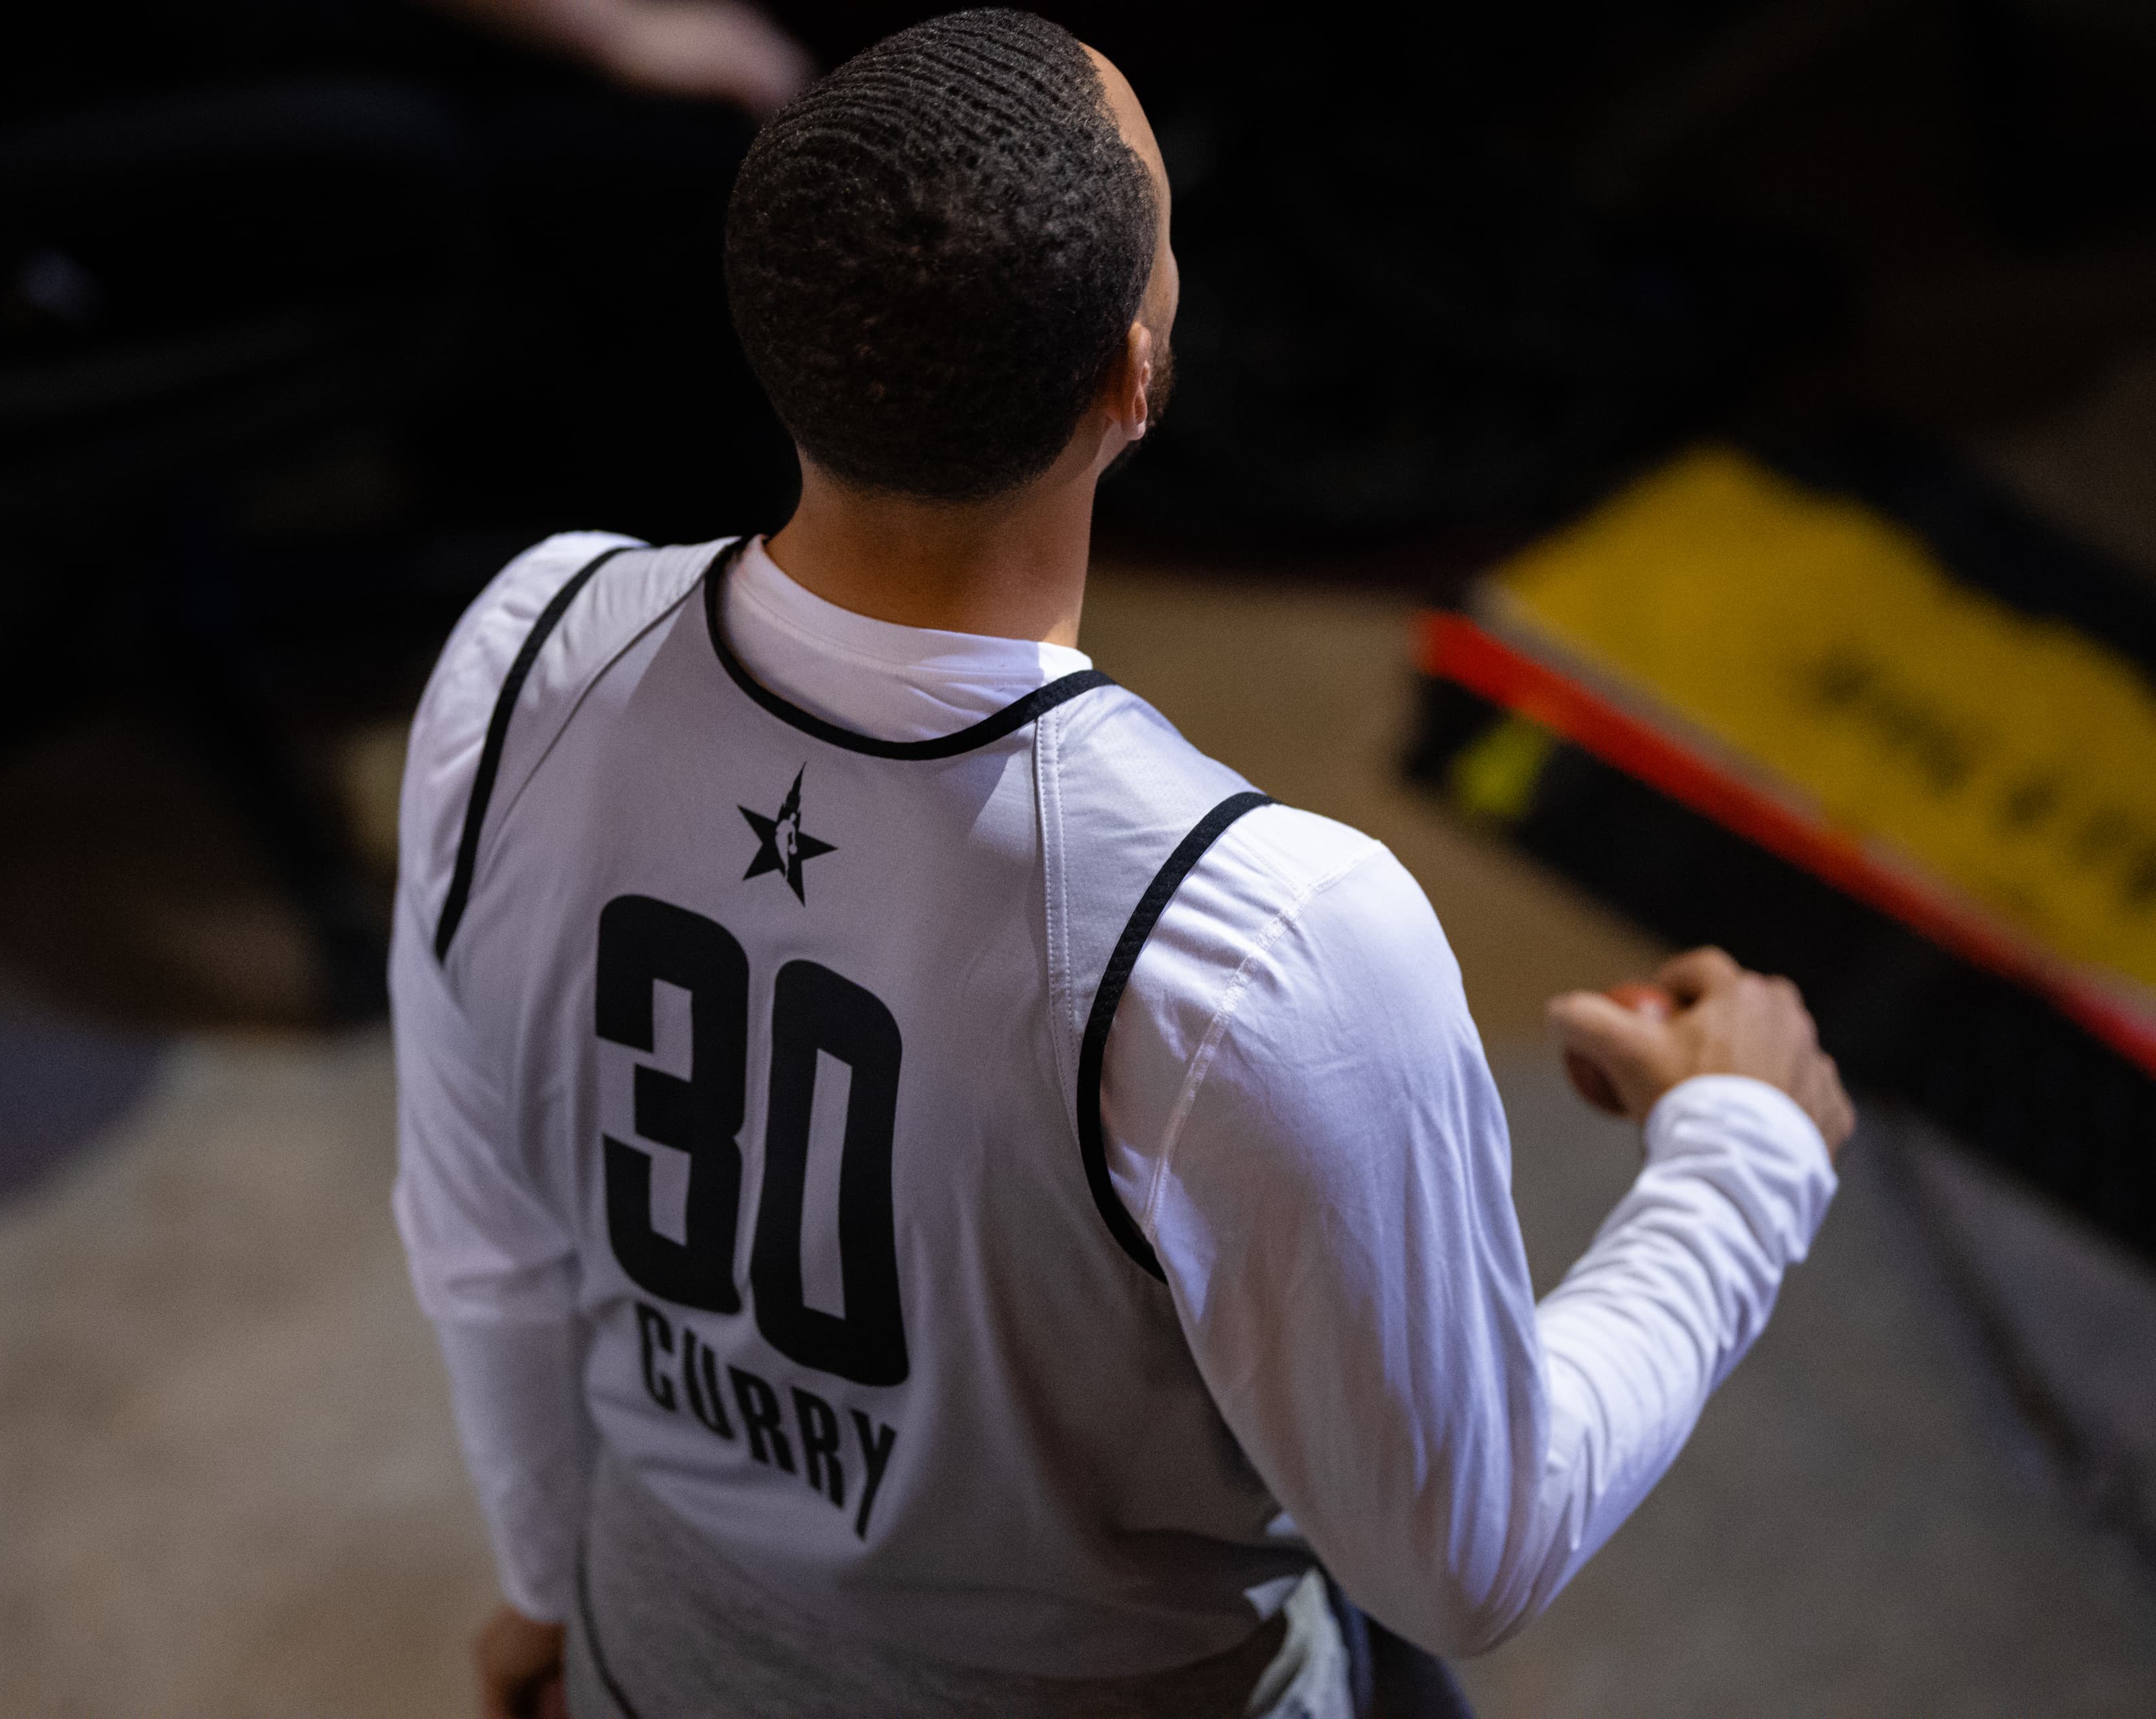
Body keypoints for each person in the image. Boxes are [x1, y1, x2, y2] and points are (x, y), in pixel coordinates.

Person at [389, 11, 1855, 1717]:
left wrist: (542, 1588)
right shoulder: (1256, 939)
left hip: (668, 1657)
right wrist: (1742, 1155)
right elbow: (1467, 1550)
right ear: (1134, 380)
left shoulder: (526, 654)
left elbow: (486, 1245)